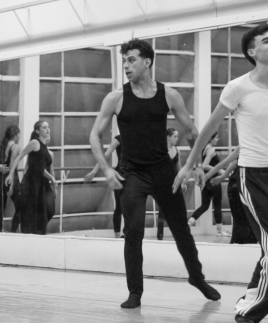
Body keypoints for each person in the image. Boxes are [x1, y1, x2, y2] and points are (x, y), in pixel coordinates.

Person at [176, 23, 268, 323]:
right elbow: (209, 128)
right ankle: (248, 309)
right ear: (252, 52)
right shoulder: (237, 88)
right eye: (266, 41)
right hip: (254, 176)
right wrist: (192, 163)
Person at [90, 39, 220, 309]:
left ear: (147, 62)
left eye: (131, 60)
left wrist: (196, 165)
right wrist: (106, 168)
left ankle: (197, 278)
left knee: (181, 230)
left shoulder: (169, 95)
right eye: (124, 61)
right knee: (133, 231)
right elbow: (95, 135)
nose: (126, 66)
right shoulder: (116, 98)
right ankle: (135, 292)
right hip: (131, 174)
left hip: (163, 171)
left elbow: (191, 132)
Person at [6, 120, 56, 235]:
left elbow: (41, 168)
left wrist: (52, 179)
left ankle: (38, 232)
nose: (48, 129)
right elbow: (19, 157)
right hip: (32, 183)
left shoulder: (45, 148)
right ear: (37, 131)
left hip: (42, 183)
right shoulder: (35, 143)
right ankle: (32, 234)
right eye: (44, 127)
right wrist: (10, 174)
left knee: (49, 210)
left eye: (48, 127)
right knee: (31, 213)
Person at [202, 149, 258, 245]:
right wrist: (219, 175)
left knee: (243, 221)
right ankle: (243, 244)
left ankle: (242, 243)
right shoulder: (246, 146)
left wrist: (223, 175)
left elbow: (232, 162)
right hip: (240, 184)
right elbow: (230, 161)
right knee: (243, 221)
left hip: (243, 184)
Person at [189, 133, 229, 237]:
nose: (218, 139)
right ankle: (219, 231)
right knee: (217, 205)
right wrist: (220, 171)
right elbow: (205, 165)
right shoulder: (210, 149)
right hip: (213, 180)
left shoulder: (203, 149)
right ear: (211, 139)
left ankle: (189, 223)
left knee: (204, 206)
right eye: (216, 137)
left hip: (205, 181)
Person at [84, 135, 124, 238]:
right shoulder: (119, 138)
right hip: (120, 174)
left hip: (131, 175)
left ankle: (127, 233)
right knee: (119, 206)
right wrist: (94, 172)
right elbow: (106, 155)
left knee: (130, 205)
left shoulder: (136, 137)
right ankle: (118, 235)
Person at [157, 128, 183, 240]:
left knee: (177, 208)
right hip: (162, 183)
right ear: (168, 137)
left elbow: (179, 168)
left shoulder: (177, 150)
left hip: (174, 183)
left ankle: (179, 234)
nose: (177, 138)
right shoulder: (161, 150)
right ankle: (160, 236)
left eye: (177, 136)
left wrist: (183, 182)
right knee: (162, 210)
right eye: (175, 136)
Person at [1, 125, 24, 232]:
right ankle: (13, 231)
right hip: (11, 178)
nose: (20, 136)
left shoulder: (3, 145)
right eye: (19, 134)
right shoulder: (15, 147)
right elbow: (12, 165)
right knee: (21, 207)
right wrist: (12, 184)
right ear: (16, 135)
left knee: (2, 207)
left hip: (1, 177)